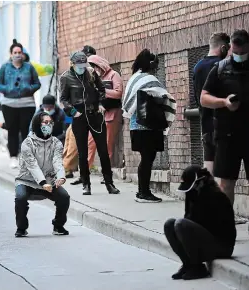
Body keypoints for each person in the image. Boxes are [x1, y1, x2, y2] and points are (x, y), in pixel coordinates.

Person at [200, 29, 249, 239]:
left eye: (241, 50)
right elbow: (203, 98)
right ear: (229, 47)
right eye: (234, 50)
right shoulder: (219, 69)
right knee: (226, 182)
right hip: (227, 135)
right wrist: (224, 102)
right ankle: (225, 224)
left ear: (248, 47)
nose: (238, 54)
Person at [60, 51, 120, 195]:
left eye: (83, 65)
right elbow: (63, 99)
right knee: (82, 152)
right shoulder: (66, 77)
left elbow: (101, 90)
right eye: (79, 65)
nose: (82, 68)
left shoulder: (91, 73)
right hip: (79, 116)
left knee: (103, 150)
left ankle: (109, 183)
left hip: (95, 114)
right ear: (72, 64)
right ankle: (86, 184)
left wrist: (101, 103)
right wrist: (73, 112)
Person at [122, 49, 176, 202]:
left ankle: (143, 191)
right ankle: (143, 192)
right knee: (147, 159)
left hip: (136, 126)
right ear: (151, 65)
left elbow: (130, 103)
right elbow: (161, 96)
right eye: (156, 66)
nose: (157, 69)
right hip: (147, 126)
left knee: (146, 159)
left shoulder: (134, 78)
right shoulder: (148, 79)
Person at [164, 165, 236, 280]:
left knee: (180, 224)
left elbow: (202, 224)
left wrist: (195, 205)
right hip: (207, 240)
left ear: (201, 182)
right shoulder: (193, 194)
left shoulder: (216, 197)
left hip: (222, 246)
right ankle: (188, 264)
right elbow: (189, 219)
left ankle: (198, 267)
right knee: (169, 224)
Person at [14, 112, 70, 237]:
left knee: (64, 197)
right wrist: (42, 182)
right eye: (45, 122)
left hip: (48, 182)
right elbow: (32, 165)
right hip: (26, 181)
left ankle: (58, 226)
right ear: (37, 124)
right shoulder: (27, 144)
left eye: (50, 122)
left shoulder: (56, 143)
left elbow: (57, 161)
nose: (48, 125)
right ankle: (21, 228)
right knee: (20, 198)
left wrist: (61, 176)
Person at [71, 54, 123, 185]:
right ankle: (83, 173)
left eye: (95, 66)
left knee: (107, 145)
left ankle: (106, 175)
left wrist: (102, 90)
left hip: (111, 114)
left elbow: (118, 93)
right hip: (95, 115)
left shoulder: (113, 75)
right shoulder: (92, 77)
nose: (94, 69)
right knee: (89, 144)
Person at [0, 39, 41, 169]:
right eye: (15, 52)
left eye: (19, 52)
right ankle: (13, 156)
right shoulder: (5, 67)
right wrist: (7, 89)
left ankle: (26, 156)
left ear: (23, 53)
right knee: (12, 130)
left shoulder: (29, 67)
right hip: (9, 104)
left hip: (27, 103)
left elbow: (37, 83)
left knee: (25, 130)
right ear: (11, 54)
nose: (17, 54)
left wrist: (28, 88)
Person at [193, 33, 230, 174]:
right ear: (222, 47)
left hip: (206, 122)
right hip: (223, 123)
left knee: (209, 163)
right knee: (224, 170)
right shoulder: (221, 66)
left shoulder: (198, 67)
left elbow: (198, 97)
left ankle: (207, 194)